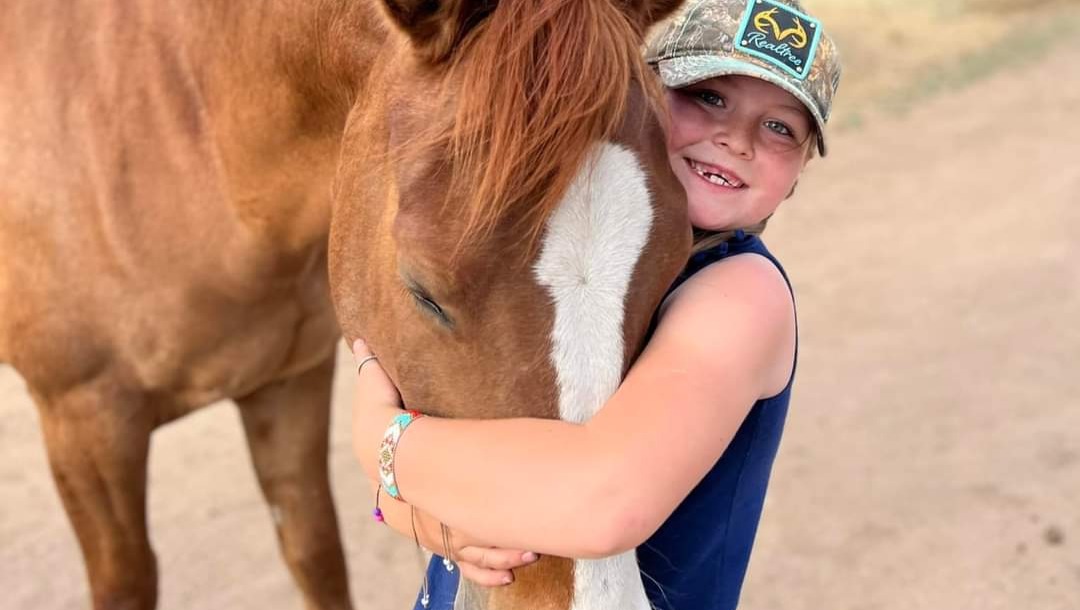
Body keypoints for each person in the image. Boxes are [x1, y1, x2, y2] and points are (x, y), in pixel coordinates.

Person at [350, 0, 841, 608]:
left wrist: (383, 441)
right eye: (709, 97)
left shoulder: (743, 294)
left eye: (780, 129)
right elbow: (463, 448)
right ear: (639, 96)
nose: (736, 140)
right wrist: (419, 513)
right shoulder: (566, 254)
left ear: (796, 178)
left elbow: (604, 504)